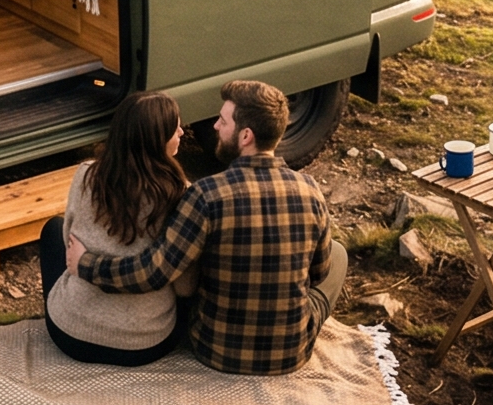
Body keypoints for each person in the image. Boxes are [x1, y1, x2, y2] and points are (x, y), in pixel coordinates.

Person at [68, 78, 347, 375]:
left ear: (246, 136)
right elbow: (318, 274)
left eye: (223, 121)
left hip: (215, 350)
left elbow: (154, 271)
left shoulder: (205, 195)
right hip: (290, 354)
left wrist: (87, 264)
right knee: (338, 255)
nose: (214, 126)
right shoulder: (310, 190)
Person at [38, 91, 197, 365]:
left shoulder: (87, 175)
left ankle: (76, 307)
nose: (182, 132)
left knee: (53, 229)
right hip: (144, 345)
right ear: (156, 139)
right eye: (175, 128)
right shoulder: (180, 193)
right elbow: (184, 285)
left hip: (69, 335)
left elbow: (69, 243)